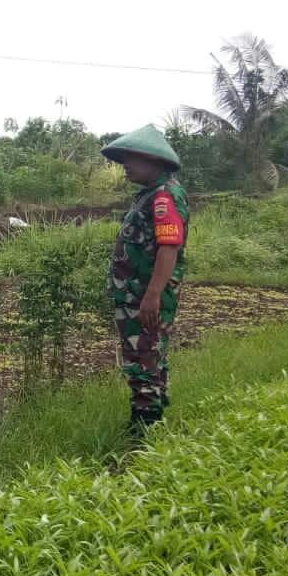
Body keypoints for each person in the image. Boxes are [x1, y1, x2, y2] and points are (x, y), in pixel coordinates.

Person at [102, 124, 189, 435]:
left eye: (131, 159)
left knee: (142, 358)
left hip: (144, 297)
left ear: (152, 161)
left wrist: (152, 295)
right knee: (150, 357)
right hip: (136, 295)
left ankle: (144, 432)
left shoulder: (164, 198)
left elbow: (169, 247)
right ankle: (153, 424)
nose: (125, 166)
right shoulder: (151, 196)